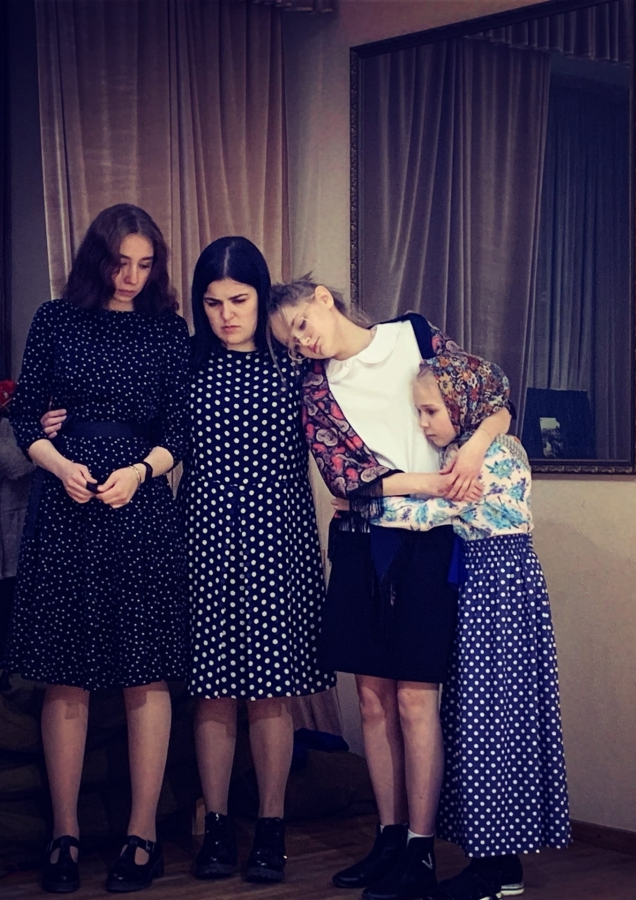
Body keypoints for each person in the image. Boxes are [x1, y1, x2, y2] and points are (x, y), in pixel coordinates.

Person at [267, 279, 511, 900]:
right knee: (372, 702)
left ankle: (420, 849)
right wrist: (432, 484)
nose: (301, 342)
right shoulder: (314, 387)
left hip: (430, 544)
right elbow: (346, 479)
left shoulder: (415, 335)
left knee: (415, 700)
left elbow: (492, 399)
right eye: (290, 341)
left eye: (300, 324)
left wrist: (475, 451)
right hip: (360, 543)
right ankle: (389, 835)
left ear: (322, 298)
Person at [6, 203, 190, 895]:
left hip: (139, 505)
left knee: (146, 671)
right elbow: (24, 413)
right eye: (120, 263)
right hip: (67, 505)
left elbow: (180, 428)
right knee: (67, 671)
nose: (131, 277)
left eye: (145, 265)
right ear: (97, 259)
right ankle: (65, 834)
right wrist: (59, 466)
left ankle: (143, 835)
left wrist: (140, 473)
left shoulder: (167, 329)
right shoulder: (56, 319)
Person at [374, 354, 571, 900]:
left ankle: (498, 868)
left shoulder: (490, 456)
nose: (423, 423)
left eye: (431, 411)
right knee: (482, 718)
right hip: (486, 584)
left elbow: (429, 513)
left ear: (463, 404)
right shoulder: (473, 447)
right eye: (419, 412)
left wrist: (365, 501)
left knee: (492, 721)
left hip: (498, 588)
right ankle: (495, 862)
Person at [182, 237, 335, 884]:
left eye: (239, 300)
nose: (226, 315)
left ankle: (272, 827)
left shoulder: (294, 364)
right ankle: (216, 824)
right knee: (213, 691)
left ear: (260, 295)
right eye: (213, 303)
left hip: (280, 537)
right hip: (205, 534)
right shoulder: (188, 364)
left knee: (272, 693)